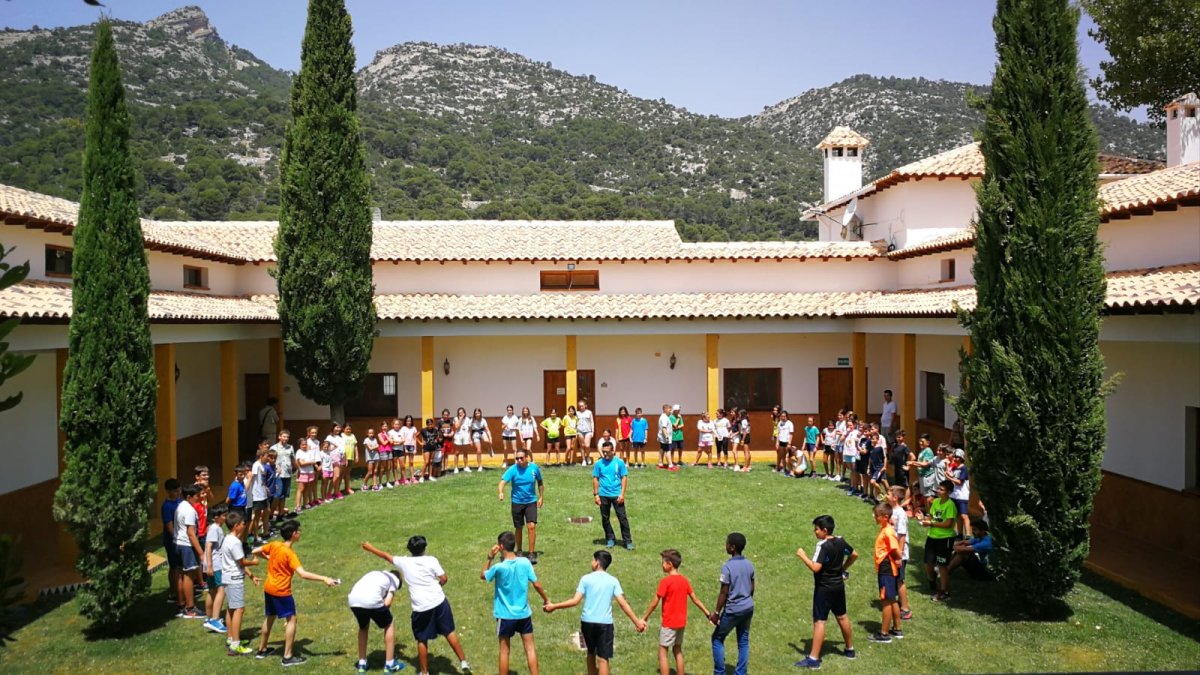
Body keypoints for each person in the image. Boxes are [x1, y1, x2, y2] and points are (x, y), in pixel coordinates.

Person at [363, 537, 471, 675]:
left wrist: (369, 547)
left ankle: (424, 672)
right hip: (439, 601)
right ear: (424, 548)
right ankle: (463, 662)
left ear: (410, 550)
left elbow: (385, 556)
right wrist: (437, 586)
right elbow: (444, 578)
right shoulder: (431, 560)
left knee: (422, 639)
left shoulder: (404, 562)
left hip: (421, 607)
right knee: (449, 631)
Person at [544, 550, 646, 675]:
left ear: (597, 562)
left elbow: (575, 601)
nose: (591, 562)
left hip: (587, 622)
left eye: (592, 560)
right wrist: (637, 622)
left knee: (591, 653)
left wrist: (554, 606)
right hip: (605, 624)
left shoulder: (586, 579)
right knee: (603, 659)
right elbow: (623, 604)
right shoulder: (613, 581)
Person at [254, 520, 340, 666]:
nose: (300, 533)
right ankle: (287, 657)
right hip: (281, 591)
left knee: (270, 617)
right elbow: (303, 574)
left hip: (269, 588)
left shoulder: (275, 545)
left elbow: (255, 551)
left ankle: (262, 650)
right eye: (298, 531)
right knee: (291, 620)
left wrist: (269, 557)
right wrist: (325, 578)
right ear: (293, 534)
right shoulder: (289, 553)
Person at [482, 531, 550, 675]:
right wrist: (546, 599)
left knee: (504, 651)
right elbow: (537, 585)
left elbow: (483, 575)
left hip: (505, 615)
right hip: (524, 614)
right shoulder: (525, 562)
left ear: (501, 546)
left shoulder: (499, 567)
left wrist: (489, 557)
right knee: (530, 648)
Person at [794, 515, 857, 668]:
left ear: (824, 530)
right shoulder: (841, 541)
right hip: (838, 586)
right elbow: (854, 554)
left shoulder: (822, 546)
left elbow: (816, 567)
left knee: (820, 621)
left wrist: (802, 556)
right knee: (842, 616)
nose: (815, 532)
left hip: (824, 588)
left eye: (816, 529)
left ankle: (814, 659)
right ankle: (850, 649)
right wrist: (843, 568)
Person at [640, 548, 710, 675]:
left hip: (669, 623)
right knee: (677, 650)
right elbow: (695, 599)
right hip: (681, 622)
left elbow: (655, 602)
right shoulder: (684, 580)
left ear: (669, 564)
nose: (662, 564)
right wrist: (707, 613)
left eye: (663, 562)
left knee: (662, 653)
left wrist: (644, 618)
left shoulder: (665, 582)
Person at [709, 532, 755, 675]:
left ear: (732, 547)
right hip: (748, 607)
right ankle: (741, 673)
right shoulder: (749, 564)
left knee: (717, 638)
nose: (726, 545)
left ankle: (719, 672)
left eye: (727, 543)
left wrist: (716, 613)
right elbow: (752, 587)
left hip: (733, 610)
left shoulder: (727, 567)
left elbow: (724, 592)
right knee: (743, 641)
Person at [348, 567, 405, 674]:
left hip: (353, 599)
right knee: (389, 623)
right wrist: (378, 611)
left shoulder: (377, 573)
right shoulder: (395, 580)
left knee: (363, 626)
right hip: (370, 599)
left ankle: (362, 663)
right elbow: (387, 603)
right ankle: (390, 664)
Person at [219, 510, 260, 656]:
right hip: (235, 579)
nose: (244, 526)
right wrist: (254, 563)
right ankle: (235, 645)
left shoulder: (227, 538)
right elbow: (242, 562)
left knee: (231, 609)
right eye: (243, 524)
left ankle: (231, 638)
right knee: (239, 610)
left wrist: (251, 576)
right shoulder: (235, 542)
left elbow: (238, 564)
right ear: (236, 525)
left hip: (228, 578)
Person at [498, 449, 545, 563]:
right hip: (517, 502)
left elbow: (540, 482)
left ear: (527, 457)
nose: (519, 460)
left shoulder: (534, 468)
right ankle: (519, 551)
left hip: (531, 501)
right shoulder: (513, 469)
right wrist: (501, 491)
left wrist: (541, 497)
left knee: (532, 526)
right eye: (517, 458)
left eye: (521, 458)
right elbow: (503, 481)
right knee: (519, 527)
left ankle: (531, 553)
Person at [869, 503, 904, 643]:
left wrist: (898, 559)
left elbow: (895, 549)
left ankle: (884, 633)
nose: (875, 518)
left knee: (886, 601)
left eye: (877, 516)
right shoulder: (886, 528)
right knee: (891, 598)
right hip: (887, 568)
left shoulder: (888, 532)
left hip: (886, 569)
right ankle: (897, 628)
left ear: (885, 517)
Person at [922, 479, 959, 602]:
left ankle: (944, 591)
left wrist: (931, 523)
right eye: (938, 488)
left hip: (945, 538)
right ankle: (932, 580)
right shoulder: (936, 502)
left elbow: (948, 524)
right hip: (932, 537)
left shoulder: (950, 505)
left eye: (941, 490)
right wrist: (925, 518)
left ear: (948, 492)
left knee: (942, 565)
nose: (938, 491)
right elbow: (931, 516)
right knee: (928, 563)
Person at [593, 434, 632, 550]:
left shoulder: (619, 462)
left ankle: (627, 541)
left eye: (607, 452)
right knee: (605, 518)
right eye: (603, 452)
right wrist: (596, 495)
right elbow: (595, 478)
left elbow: (624, 478)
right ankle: (610, 538)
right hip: (603, 494)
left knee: (622, 518)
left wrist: (622, 494)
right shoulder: (598, 464)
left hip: (616, 494)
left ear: (613, 451)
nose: (605, 454)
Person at [174, 483, 205, 619]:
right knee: (189, 575)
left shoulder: (181, 506)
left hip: (178, 544)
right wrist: (200, 552)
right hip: (187, 546)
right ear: (189, 497)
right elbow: (191, 533)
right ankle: (190, 608)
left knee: (181, 574)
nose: (199, 498)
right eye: (197, 496)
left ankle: (181, 604)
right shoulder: (190, 511)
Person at [887, 485, 914, 620]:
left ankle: (905, 608)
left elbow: (902, 535)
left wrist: (899, 554)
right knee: (895, 577)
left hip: (899, 551)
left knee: (899, 580)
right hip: (892, 550)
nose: (887, 495)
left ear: (895, 498)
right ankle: (896, 602)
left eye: (889, 494)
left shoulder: (901, 514)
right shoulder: (891, 510)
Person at [203, 503, 229, 633]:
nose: (226, 518)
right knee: (221, 590)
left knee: (212, 590)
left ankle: (209, 618)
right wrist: (210, 565)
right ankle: (215, 619)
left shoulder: (215, 528)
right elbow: (208, 547)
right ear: (216, 517)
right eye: (224, 516)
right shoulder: (215, 529)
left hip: (212, 564)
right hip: (215, 564)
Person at [946, 519, 995, 584]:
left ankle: (945, 573)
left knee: (963, 553)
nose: (972, 532)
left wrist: (953, 547)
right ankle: (944, 569)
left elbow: (961, 549)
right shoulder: (982, 536)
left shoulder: (986, 543)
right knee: (961, 550)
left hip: (988, 573)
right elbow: (964, 542)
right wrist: (957, 546)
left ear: (982, 530)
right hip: (983, 567)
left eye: (975, 530)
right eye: (972, 529)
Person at [162, 478, 183, 607]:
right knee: (174, 567)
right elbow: (169, 527)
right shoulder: (167, 506)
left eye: (178, 489)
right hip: (172, 541)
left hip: (181, 538)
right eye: (174, 491)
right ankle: (173, 592)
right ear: (168, 491)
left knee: (180, 567)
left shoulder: (180, 502)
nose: (177, 492)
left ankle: (180, 590)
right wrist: (178, 538)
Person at [271, 429, 295, 520]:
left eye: (287, 437)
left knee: (284, 495)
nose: (286, 438)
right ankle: (271, 514)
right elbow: (270, 461)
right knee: (277, 495)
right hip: (278, 475)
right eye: (284, 436)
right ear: (279, 437)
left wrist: (298, 469)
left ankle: (281, 515)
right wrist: (276, 466)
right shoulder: (274, 448)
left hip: (288, 474)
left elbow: (293, 458)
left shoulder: (290, 447)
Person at [948, 448, 971, 538]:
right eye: (954, 457)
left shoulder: (964, 468)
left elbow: (959, 482)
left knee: (963, 515)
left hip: (962, 495)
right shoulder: (954, 467)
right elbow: (954, 477)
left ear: (961, 458)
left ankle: (968, 534)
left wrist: (949, 478)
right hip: (954, 494)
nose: (955, 458)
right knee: (957, 515)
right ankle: (960, 533)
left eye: (957, 457)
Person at [500, 404, 520, 468]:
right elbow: (502, 427)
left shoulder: (515, 417)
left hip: (513, 434)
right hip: (505, 434)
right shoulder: (504, 417)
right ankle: (505, 462)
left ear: (512, 410)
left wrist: (513, 428)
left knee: (514, 449)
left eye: (510, 410)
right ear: (507, 410)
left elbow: (518, 427)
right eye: (508, 410)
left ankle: (516, 462)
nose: (509, 411)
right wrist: (505, 425)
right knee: (505, 448)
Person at [421, 418, 440, 482]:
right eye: (429, 424)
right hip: (426, 448)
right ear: (426, 424)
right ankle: (421, 477)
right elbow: (415, 435)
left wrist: (436, 440)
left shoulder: (435, 430)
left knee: (431, 462)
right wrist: (421, 442)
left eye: (431, 424)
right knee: (426, 462)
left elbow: (437, 436)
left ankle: (430, 476)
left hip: (433, 447)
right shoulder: (423, 430)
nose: (430, 426)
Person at [577, 399, 596, 466]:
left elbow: (592, 422)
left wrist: (592, 431)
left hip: (588, 431)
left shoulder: (589, 412)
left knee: (587, 446)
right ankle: (583, 460)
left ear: (585, 406)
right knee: (582, 446)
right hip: (580, 431)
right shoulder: (577, 413)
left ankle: (588, 457)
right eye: (580, 406)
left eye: (582, 406)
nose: (581, 407)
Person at [362, 427, 381, 492]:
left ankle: (374, 485)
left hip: (376, 456)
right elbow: (369, 448)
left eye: (372, 433)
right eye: (370, 433)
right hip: (370, 458)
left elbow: (378, 447)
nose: (371, 434)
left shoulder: (375, 439)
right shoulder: (366, 440)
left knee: (375, 471)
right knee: (370, 472)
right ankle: (364, 484)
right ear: (367, 433)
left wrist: (375, 447)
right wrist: (375, 447)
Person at [453, 407, 471, 474]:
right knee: (457, 453)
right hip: (458, 436)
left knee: (465, 452)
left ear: (464, 412)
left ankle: (466, 466)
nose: (461, 413)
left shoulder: (467, 419)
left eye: (462, 412)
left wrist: (470, 438)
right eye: (459, 412)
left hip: (466, 436)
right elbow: (457, 427)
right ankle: (456, 468)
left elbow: (469, 429)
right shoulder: (456, 419)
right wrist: (460, 419)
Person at [656, 404, 674, 470]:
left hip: (662, 437)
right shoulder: (664, 418)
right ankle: (670, 465)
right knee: (668, 450)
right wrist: (667, 437)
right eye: (669, 409)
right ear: (665, 409)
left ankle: (660, 463)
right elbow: (664, 428)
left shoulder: (664, 416)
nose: (670, 411)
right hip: (665, 437)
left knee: (662, 449)